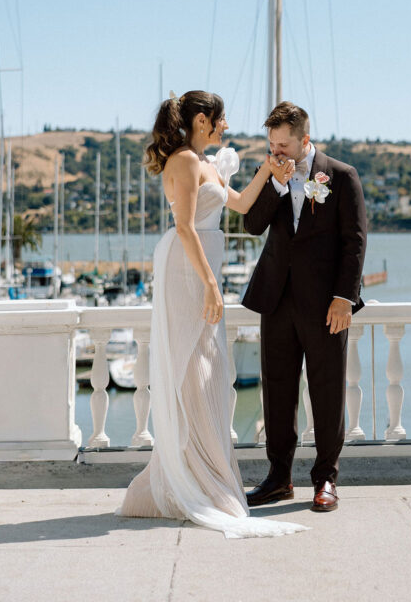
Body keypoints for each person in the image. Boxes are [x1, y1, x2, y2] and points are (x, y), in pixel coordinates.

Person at [119, 91, 307, 538]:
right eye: (220, 120)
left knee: (212, 375)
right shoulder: (183, 161)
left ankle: (206, 477)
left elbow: (240, 205)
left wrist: (270, 170)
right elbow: (185, 227)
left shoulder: (206, 164)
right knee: (194, 371)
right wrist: (208, 284)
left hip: (202, 272)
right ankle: (198, 483)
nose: (226, 127)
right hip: (187, 274)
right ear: (203, 120)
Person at [242, 101, 367, 513]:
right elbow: (251, 224)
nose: (276, 151)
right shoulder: (271, 175)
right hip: (276, 300)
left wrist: (344, 298)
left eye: (283, 144)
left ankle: (326, 478)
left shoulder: (342, 176)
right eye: (271, 144)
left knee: (327, 390)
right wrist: (275, 184)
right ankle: (279, 478)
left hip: (326, 305)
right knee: (277, 392)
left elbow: (355, 242)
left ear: (304, 140)